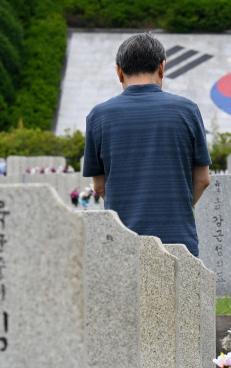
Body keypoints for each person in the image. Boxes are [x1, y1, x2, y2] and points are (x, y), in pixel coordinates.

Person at [83, 32, 211, 257]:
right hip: (179, 240)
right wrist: (176, 208)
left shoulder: (98, 116)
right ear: (162, 68)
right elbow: (202, 180)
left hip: (122, 240)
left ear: (119, 71)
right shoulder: (187, 110)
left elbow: (100, 187)